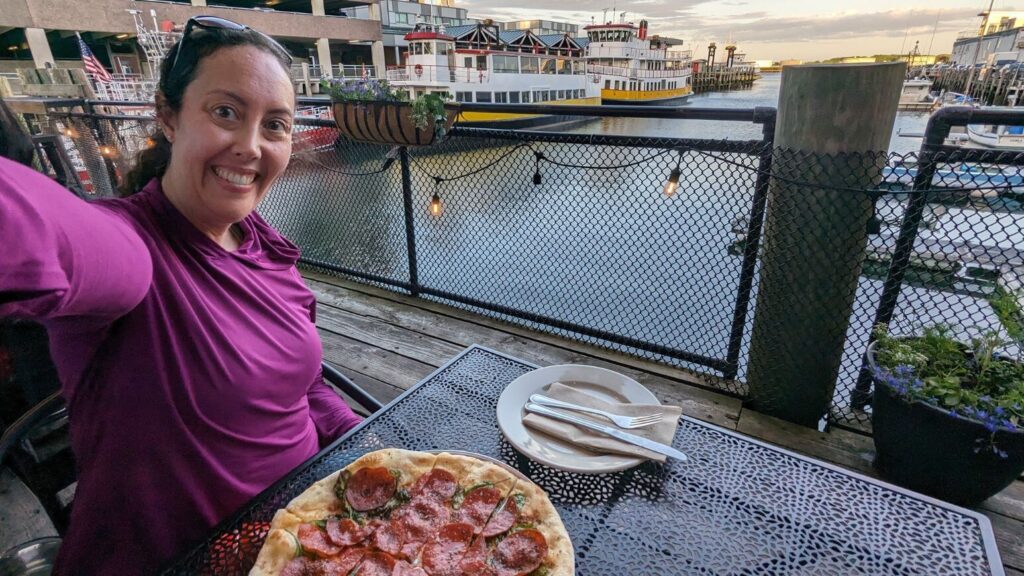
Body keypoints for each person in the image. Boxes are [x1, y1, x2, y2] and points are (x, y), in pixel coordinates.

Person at [0, 17, 362, 574]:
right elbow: (40, 229)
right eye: (225, 113)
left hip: (305, 537)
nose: (249, 146)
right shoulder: (129, 250)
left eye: (275, 125)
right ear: (167, 117)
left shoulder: (266, 248)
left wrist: (364, 447)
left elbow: (305, 387)